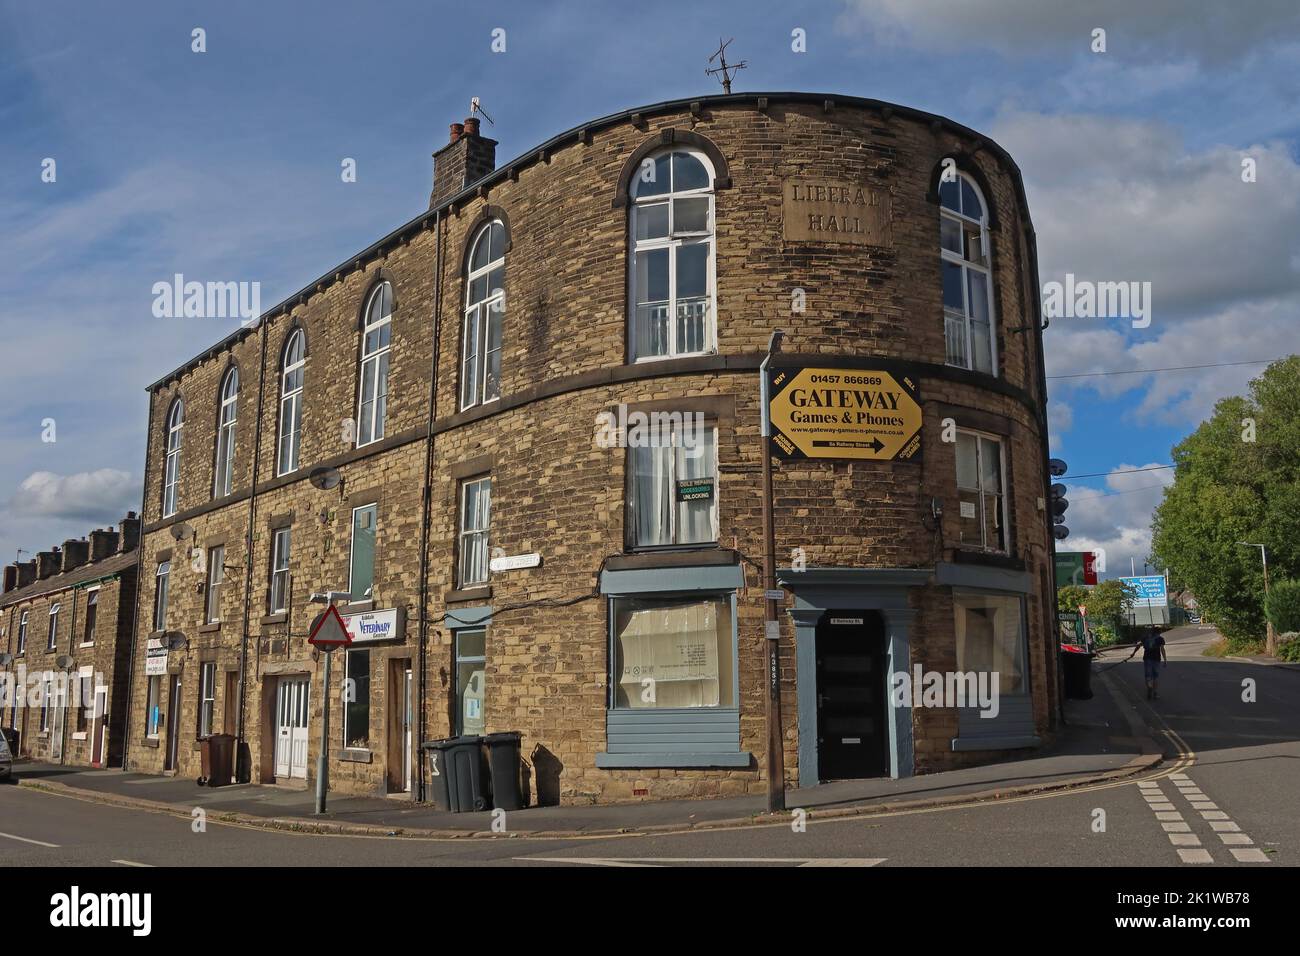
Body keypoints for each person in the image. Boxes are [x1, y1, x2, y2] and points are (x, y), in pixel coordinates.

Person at [1127, 627, 1167, 699]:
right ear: (1159, 632)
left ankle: (1149, 686)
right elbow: (1162, 649)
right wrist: (1165, 660)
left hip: (1147, 658)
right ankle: (1155, 693)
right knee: (1155, 677)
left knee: (1148, 676)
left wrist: (1133, 653)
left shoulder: (1146, 638)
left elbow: (1138, 645)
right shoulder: (1160, 639)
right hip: (1156, 659)